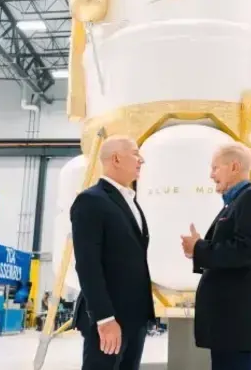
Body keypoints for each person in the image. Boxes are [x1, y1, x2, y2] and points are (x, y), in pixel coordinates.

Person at [181, 142, 251, 370]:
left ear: (234, 166)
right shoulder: (234, 204)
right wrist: (198, 249)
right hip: (228, 322)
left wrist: (200, 248)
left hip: (236, 321)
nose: (211, 175)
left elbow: (247, 250)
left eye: (215, 168)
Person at [70, 135, 155, 370]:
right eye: (136, 154)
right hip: (109, 319)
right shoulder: (91, 201)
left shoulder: (129, 201)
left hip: (134, 317)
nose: (142, 160)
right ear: (116, 158)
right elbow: (88, 265)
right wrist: (105, 318)